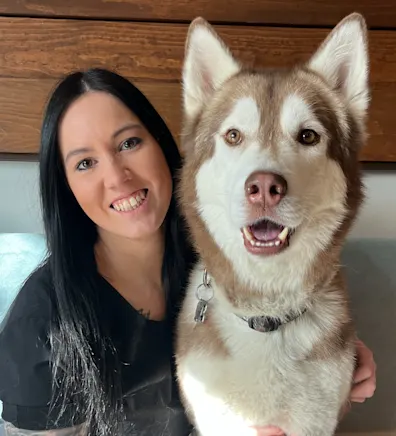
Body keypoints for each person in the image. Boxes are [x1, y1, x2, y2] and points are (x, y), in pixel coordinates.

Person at [0, 68, 376, 436]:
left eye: (129, 143)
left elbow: (287, 315)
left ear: (163, 144)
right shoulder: (40, 325)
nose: (117, 177)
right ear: (66, 187)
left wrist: (341, 364)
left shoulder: (222, 247)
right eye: (85, 163)